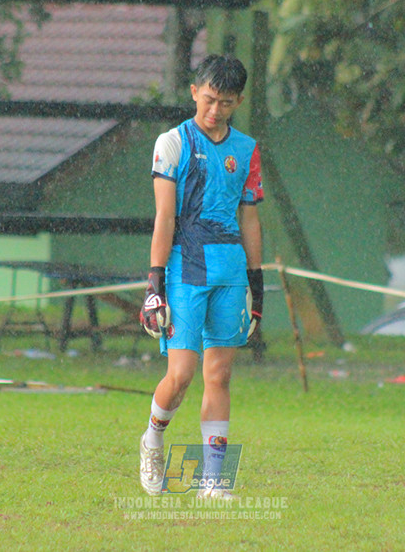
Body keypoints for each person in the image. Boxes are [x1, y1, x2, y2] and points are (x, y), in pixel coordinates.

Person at [138, 54, 264, 500]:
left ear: (238, 102)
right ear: (194, 92)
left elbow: (249, 219)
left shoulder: (246, 150)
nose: (215, 111)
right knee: (183, 373)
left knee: (220, 375)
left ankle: (213, 480)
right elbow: (164, 216)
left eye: (226, 103)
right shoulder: (172, 143)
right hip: (185, 267)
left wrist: (257, 282)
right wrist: (154, 285)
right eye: (209, 100)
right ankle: (153, 439)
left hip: (230, 271)